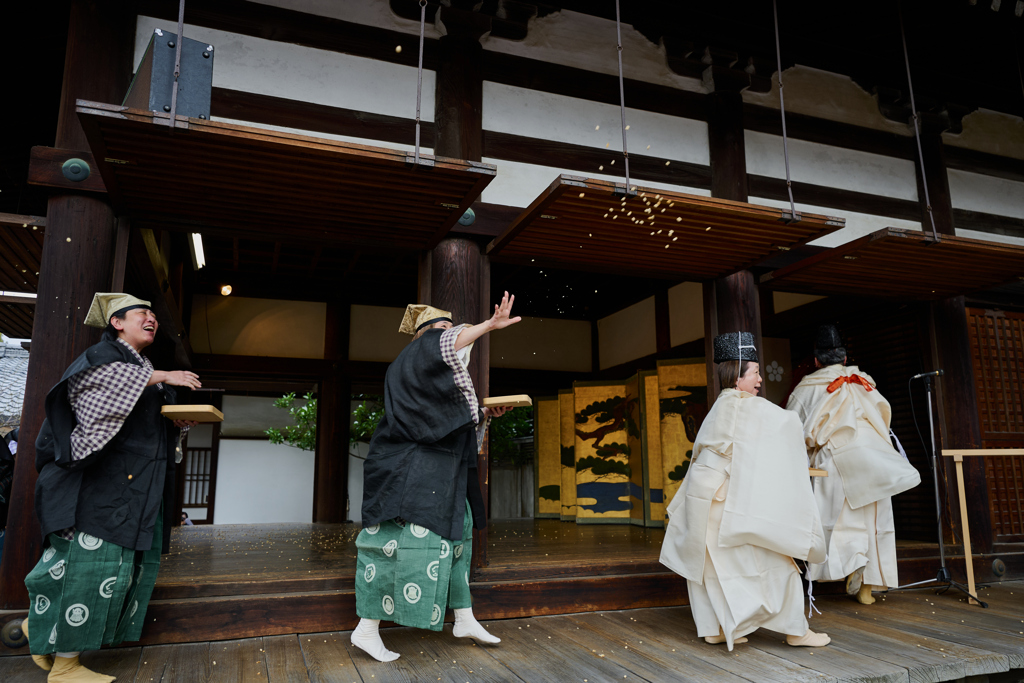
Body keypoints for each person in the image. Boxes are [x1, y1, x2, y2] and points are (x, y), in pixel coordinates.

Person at [23, 293, 200, 683]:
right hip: (98, 486)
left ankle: (38, 627)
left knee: (108, 568)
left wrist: (177, 422)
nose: (152, 318)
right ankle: (66, 666)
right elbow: (101, 394)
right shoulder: (102, 359)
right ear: (117, 322)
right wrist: (163, 378)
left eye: (154, 314)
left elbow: (143, 418)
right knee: (89, 567)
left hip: (133, 488)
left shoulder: (143, 368)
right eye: (143, 313)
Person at [352, 293, 520, 663]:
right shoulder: (421, 350)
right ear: (427, 334)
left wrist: (486, 414)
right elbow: (445, 342)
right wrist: (490, 325)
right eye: (446, 327)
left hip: (433, 470)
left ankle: (463, 617)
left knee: (459, 530)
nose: (455, 336)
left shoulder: (417, 370)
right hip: (408, 472)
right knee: (394, 546)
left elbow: (449, 416)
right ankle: (365, 629)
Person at [660, 332, 830, 651]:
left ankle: (716, 628)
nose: (760, 381)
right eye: (754, 373)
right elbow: (790, 426)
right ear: (737, 377)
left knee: (714, 569)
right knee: (778, 561)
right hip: (724, 501)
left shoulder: (722, 405)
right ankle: (796, 630)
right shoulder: (745, 406)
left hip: (704, 499)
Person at [785, 325, 920, 604]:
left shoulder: (807, 387)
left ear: (816, 360)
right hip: (874, 458)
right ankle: (867, 587)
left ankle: (848, 564)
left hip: (835, 459)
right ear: (845, 359)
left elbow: (790, 431)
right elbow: (884, 417)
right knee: (874, 521)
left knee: (839, 520)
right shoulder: (865, 381)